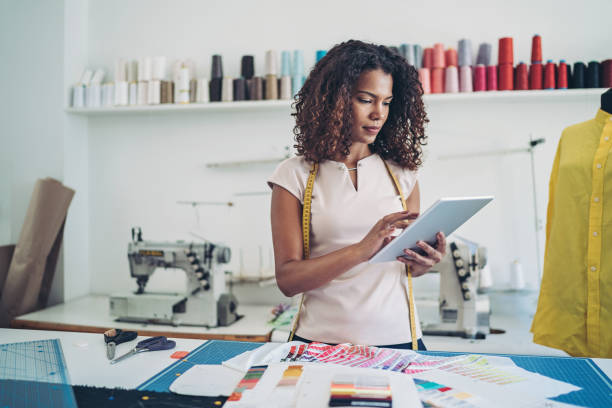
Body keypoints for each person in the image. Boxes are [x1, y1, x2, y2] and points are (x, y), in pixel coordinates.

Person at [267, 40, 446, 350]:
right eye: (366, 99)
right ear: (333, 100)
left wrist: (423, 262)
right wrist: (362, 249)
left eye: (387, 102)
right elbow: (288, 280)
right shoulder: (294, 175)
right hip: (320, 343)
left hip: (400, 341)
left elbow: (404, 266)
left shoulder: (402, 174)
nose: (378, 113)